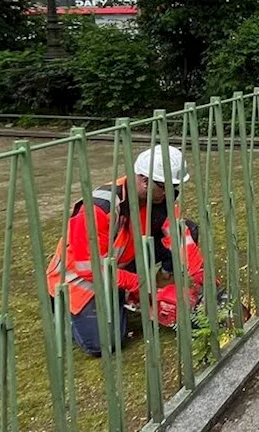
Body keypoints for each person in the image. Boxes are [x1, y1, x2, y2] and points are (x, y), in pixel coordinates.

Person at [46, 145, 206, 356]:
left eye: (174, 188)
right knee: (106, 343)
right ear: (144, 180)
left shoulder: (158, 198)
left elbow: (180, 237)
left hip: (121, 260)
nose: (170, 194)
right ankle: (65, 309)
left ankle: (141, 289)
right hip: (80, 278)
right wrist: (136, 284)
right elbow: (88, 267)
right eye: (165, 187)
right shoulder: (99, 208)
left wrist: (200, 276)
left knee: (189, 228)